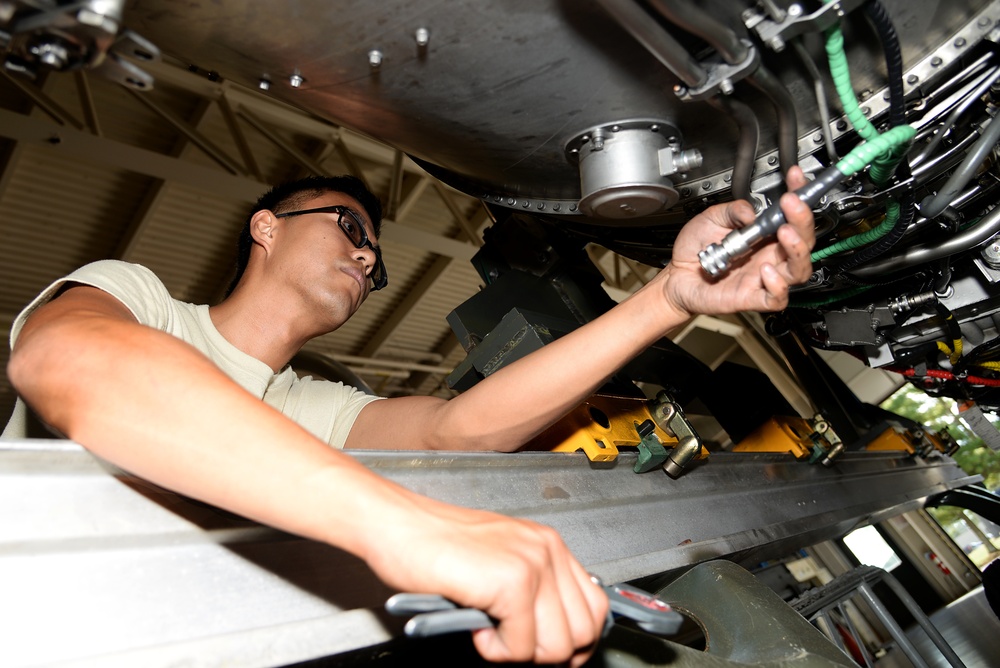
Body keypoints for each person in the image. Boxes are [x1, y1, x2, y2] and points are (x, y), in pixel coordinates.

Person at [5, 168, 816, 665]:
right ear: (265, 227)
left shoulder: (303, 406)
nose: (368, 258)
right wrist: (411, 529)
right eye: (350, 230)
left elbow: (460, 430)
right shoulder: (144, 302)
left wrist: (668, 299)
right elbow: (68, 364)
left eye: (378, 260)